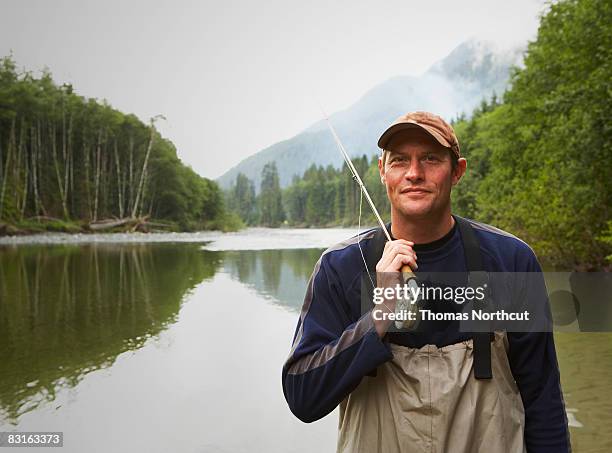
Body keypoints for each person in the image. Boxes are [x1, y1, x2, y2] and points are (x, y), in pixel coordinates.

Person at [281, 111, 571, 452]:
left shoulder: (510, 262)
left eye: (431, 159)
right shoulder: (338, 268)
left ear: (457, 171)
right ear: (382, 171)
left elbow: (543, 399)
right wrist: (379, 314)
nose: (414, 173)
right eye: (400, 160)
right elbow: (303, 398)